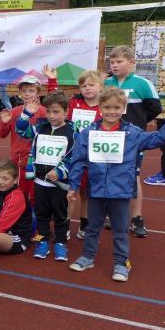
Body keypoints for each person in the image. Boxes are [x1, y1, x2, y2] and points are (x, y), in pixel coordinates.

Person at [68, 88, 165, 281]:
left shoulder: (132, 133)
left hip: (120, 192)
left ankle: (121, 263)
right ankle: (87, 257)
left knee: (120, 230)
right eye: (107, 107)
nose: (112, 111)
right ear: (100, 108)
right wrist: (74, 185)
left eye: (116, 107)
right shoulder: (88, 133)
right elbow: (78, 160)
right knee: (92, 227)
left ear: (123, 108)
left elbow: (157, 138)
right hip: (96, 190)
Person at [104, 45, 161, 237]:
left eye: (119, 61)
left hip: (132, 140)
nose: (114, 65)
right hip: (109, 136)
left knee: (133, 176)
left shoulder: (143, 84)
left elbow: (155, 108)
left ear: (131, 63)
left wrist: (139, 123)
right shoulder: (106, 83)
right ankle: (111, 214)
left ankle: (136, 217)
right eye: (112, 62)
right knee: (109, 174)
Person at [16, 91, 75, 261]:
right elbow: (21, 130)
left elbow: (74, 157)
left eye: (56, 111)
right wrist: (26, 114)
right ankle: (43, 241)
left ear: (66, 112)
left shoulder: (72, 132)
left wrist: (60, 171)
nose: (51, 115)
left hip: (59, 184)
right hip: (40, 181)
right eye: (48, 111)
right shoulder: (40, 127)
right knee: (42, 214)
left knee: (60, 215)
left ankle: (61, 243)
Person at [0, 69, 58, 210]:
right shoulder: (14, 112)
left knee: (37, 194)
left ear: (38, 92)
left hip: (39, 160)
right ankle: (20, 219)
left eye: (31, 90)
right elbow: (2, 134)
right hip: (18, 161)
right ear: (19, 92)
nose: (27, 94)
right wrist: (4, 123)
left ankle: (36, 220)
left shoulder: (44, 112)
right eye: (24, 91)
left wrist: (52, 81)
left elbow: (55, 101)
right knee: (19, 193)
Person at [67, 70, 103, 238]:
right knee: (70, 192)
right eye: (83, 86)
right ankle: (65, 225)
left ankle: (84, 225)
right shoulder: (74, 103)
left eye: (91, 85)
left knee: (87, 194)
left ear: (101, 86)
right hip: (73, 155)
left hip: (94, 158)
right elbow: (58, 107)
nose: (87, 88)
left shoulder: (104, 107)